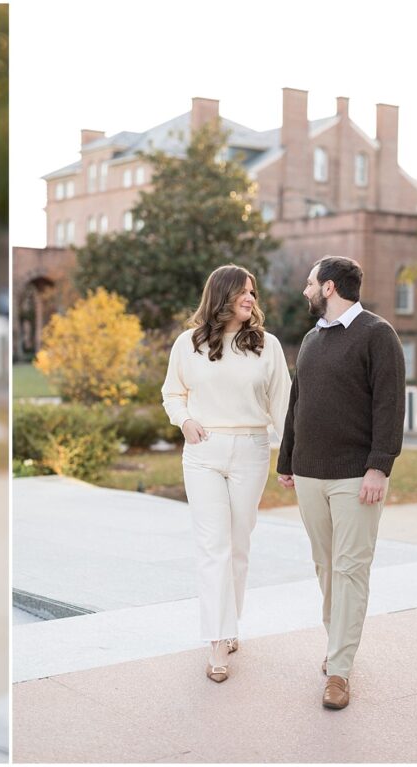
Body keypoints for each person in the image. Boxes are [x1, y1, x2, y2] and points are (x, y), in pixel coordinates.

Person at [277, 255, 405, 710]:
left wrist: (379, 466)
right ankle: (338, 649)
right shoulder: (312, 339)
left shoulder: (377, 334)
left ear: (329, 287)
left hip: (356, 476)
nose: (306, 291)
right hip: (310, 472)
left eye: (311, 284)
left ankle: (339, 670)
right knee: (326, 566)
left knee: (350, 570)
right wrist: (287, 459)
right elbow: (298, 403)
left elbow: (389, 405)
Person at [161, 264, 291, 683]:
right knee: (212, 546)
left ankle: (229, 623)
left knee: (238, 545)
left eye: (253, 292)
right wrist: (183, 420)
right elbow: (172, 392)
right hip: (202, 452)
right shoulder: (188, 343)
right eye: (243, 293)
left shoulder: (267, 346)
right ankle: (217, 640)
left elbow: (282, 405)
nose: (250, 299)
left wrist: (290, 456)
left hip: (251, 451)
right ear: (222, 296)